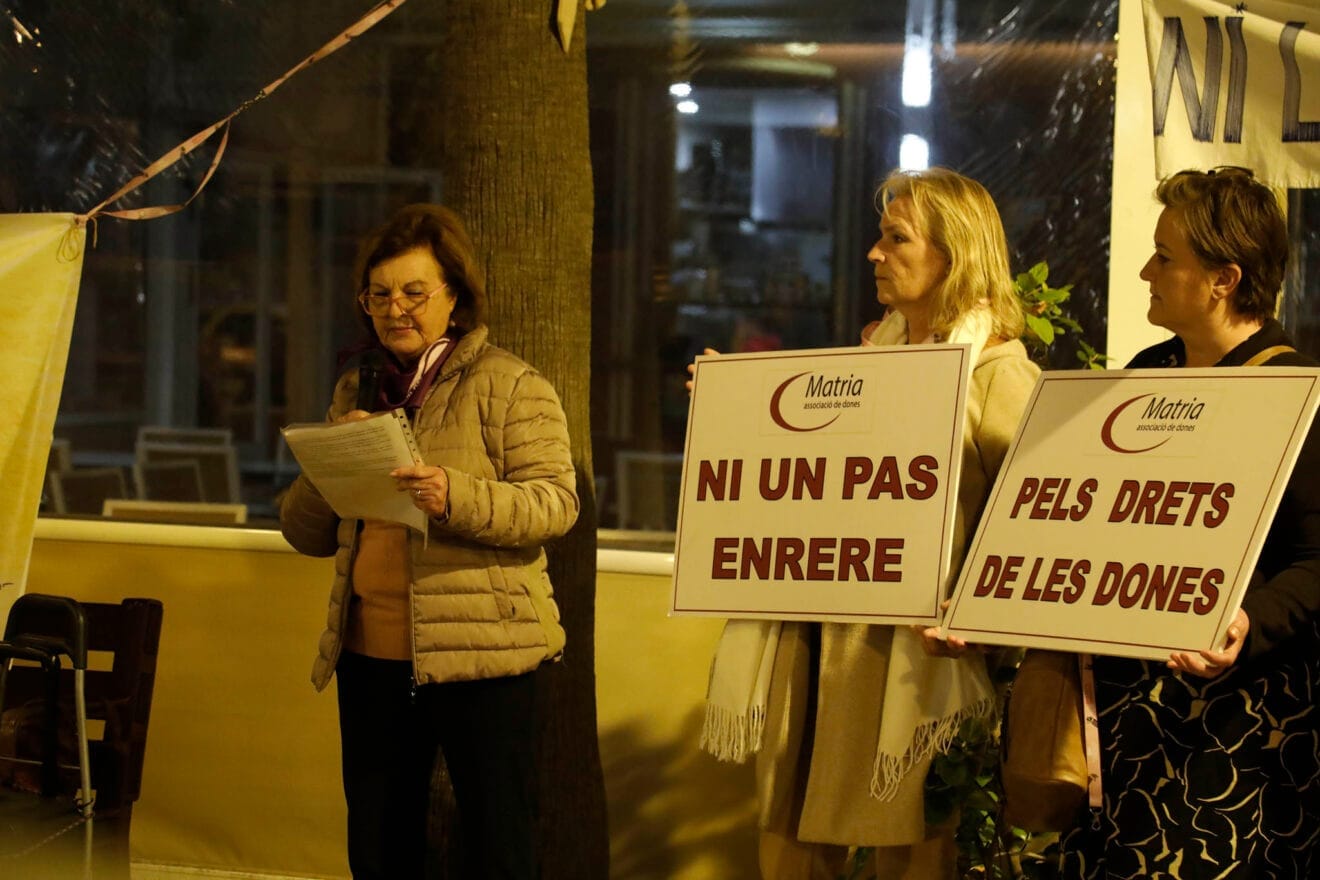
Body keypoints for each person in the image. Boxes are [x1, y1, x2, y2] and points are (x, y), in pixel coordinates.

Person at [696, 167, 1040, 880]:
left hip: (913, 655)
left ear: (955, 254)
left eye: (896, 239)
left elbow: (1034, 519)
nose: (874, 254)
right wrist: (734, 405)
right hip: (817, 639)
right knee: (791, 832)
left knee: (909, 839)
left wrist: (978, 615)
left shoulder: (998, 375)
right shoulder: (870, 361)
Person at [279, 203, 578, 880]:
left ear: (454, 299)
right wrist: (329, 459)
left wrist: (454, 494)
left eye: (416, 292)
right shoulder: (358, 387)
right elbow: (304, 535)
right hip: (370, 654)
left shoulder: (510, 383)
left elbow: (556, 504)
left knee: (501, 845)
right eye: (379, 294)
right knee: (379, 846)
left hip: (487, 659)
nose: (396, 309)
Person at [1061, 167, 1320, 878]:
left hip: (1237, 738)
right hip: (1127, 727)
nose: (1146, 270)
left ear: (1224, 279)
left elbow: (1317, 560)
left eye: (1165, 257)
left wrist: (1248, 621)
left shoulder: (1296, 393)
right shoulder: (1148, 371)